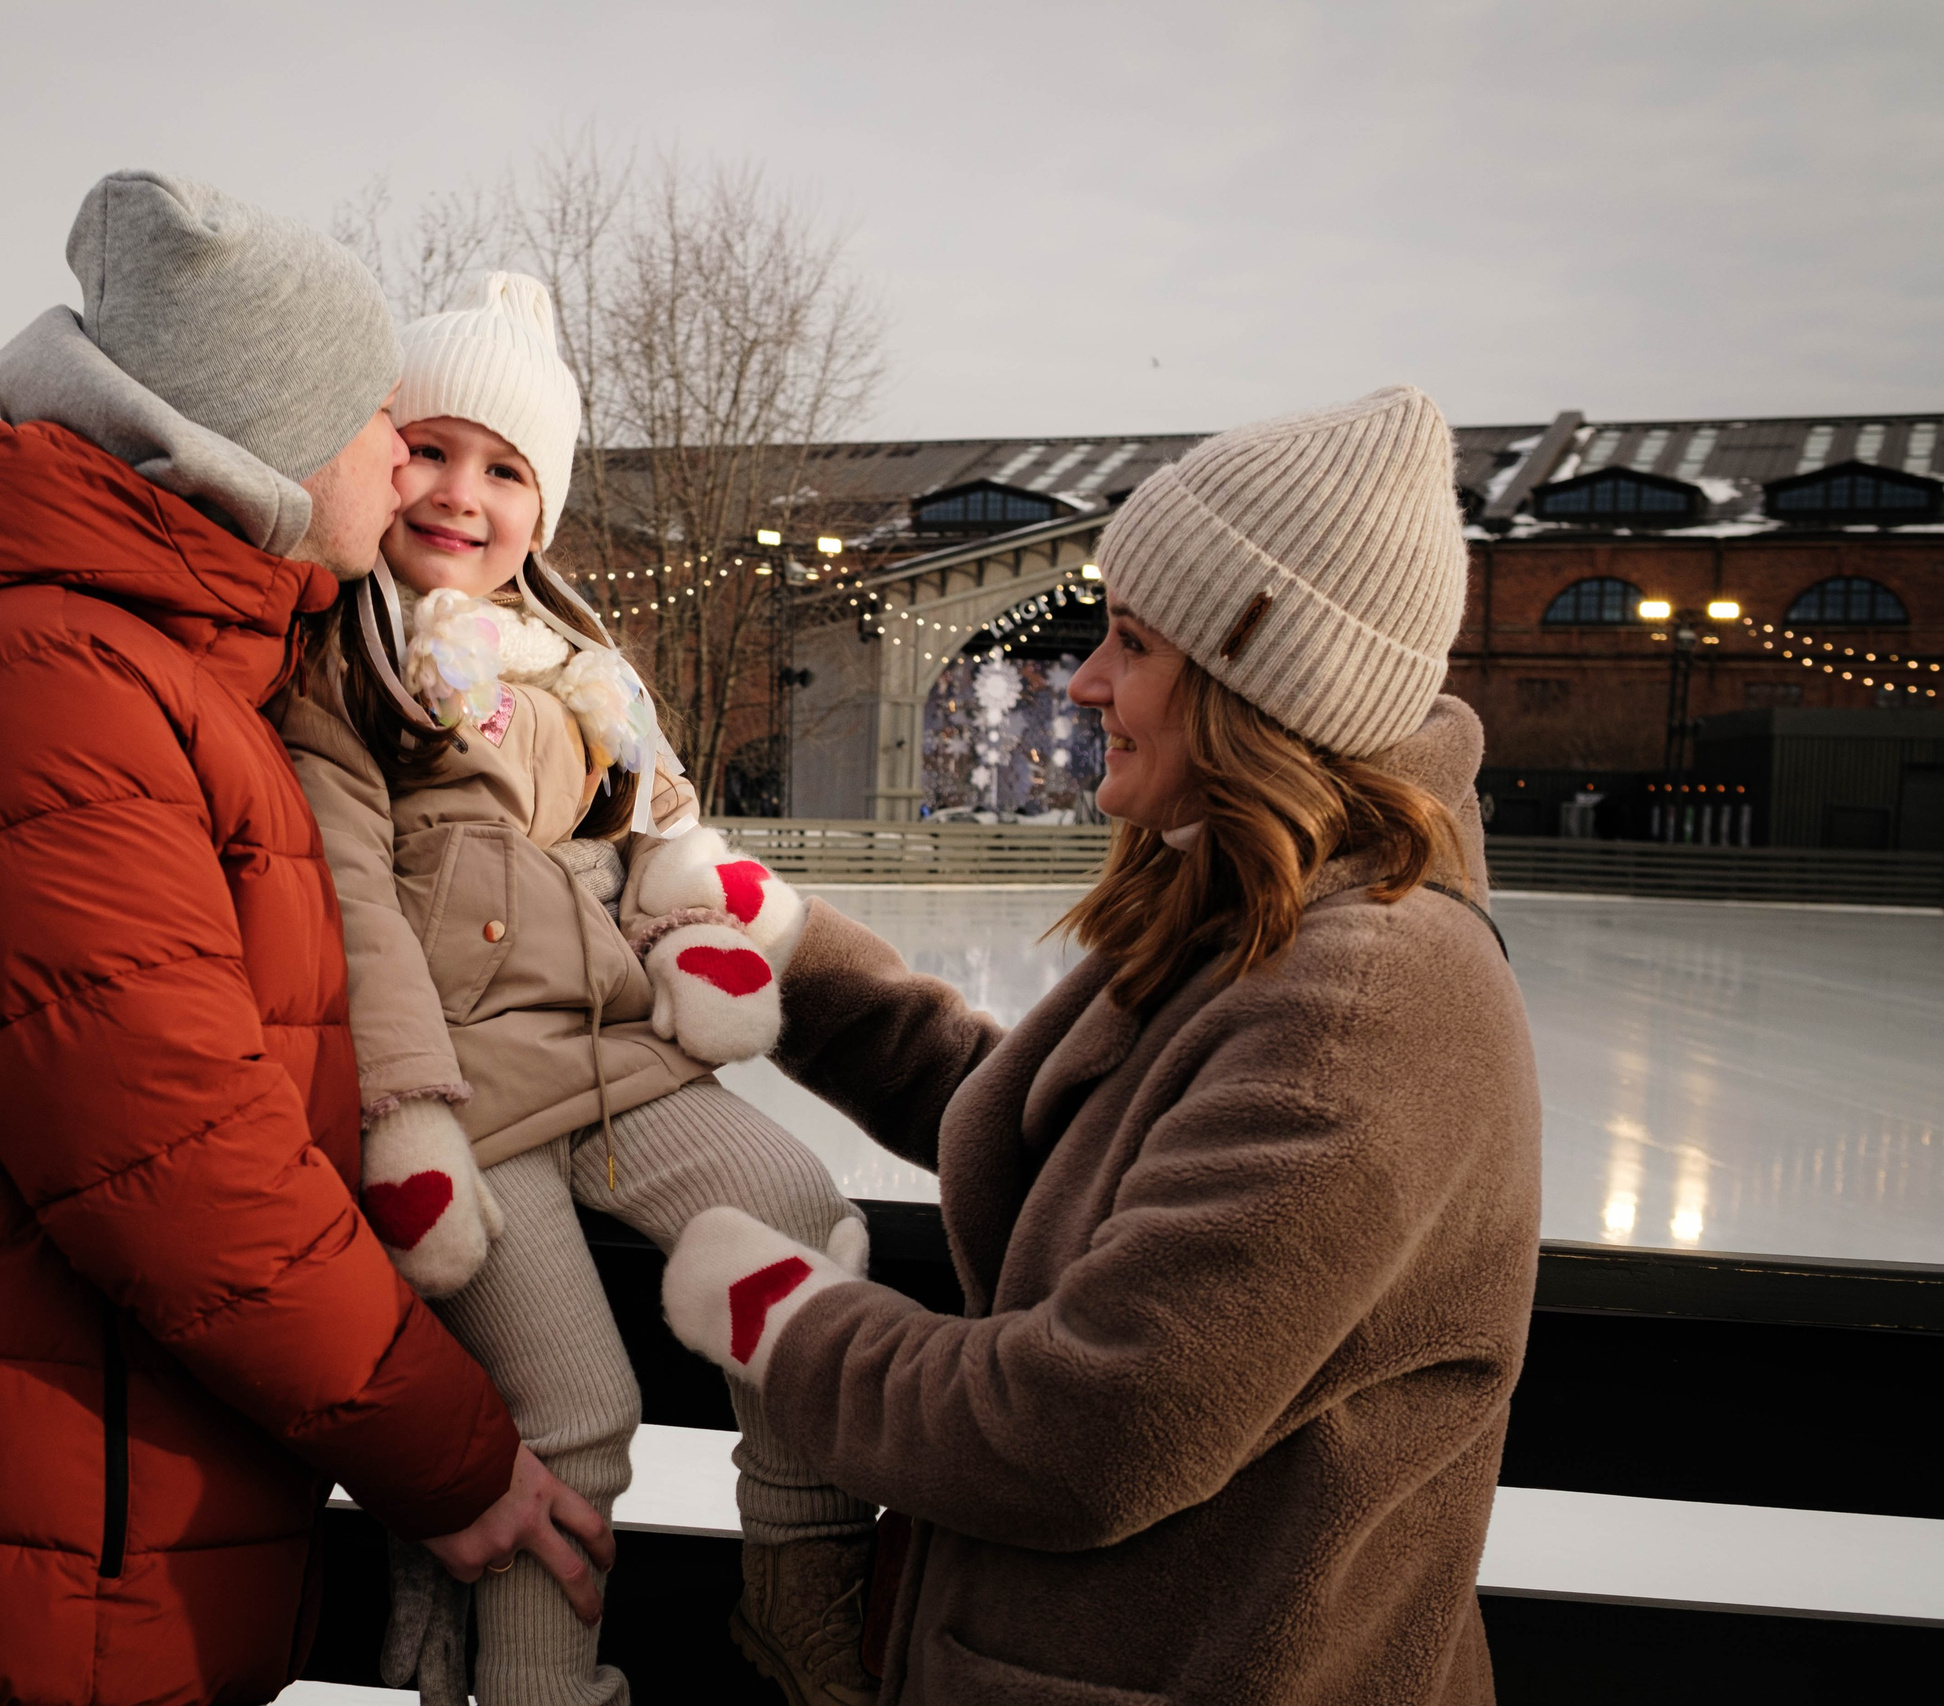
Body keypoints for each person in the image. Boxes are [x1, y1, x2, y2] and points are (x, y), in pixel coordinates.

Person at [0, 172, 609, 1706]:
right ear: (258, 442)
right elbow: (192, 1177)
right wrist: (454, 1458)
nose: (405, 460)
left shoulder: (182, 677)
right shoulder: (50, 693)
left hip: (78, 1561)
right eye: (372, 417)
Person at [661, 385, 1542, 1704]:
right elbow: (1056, 1130)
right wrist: (790, 953)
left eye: (1130, 643)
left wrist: (787, 1326)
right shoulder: (1267, 916)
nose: (1082, 680)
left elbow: (1085, 1429)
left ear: (1254, 681)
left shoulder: (1365, 1008)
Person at [276, 272, 881, 1706]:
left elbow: (664, 835)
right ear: (376, 455)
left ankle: (799, 1590)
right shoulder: (347, 675)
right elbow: (353, 902)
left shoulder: (587, 679)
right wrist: (410, 1112)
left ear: (542, 508)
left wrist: (692, 942)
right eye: (429, 449)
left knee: (805, 1223)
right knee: (578, 1410)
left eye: (506, 470)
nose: (460, 496)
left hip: (619, 1060)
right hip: (475, 1103)